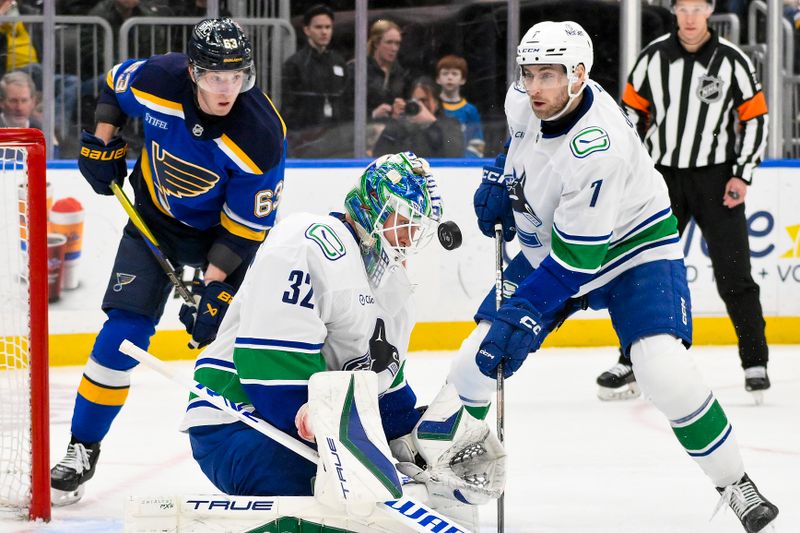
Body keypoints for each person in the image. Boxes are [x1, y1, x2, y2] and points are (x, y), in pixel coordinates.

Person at [451, 20, 778, 532]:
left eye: (549, 75)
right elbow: (518, 143)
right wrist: (498, 175)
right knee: (473, 361)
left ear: (579, 75)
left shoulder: (597, 144)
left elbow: (578, 264)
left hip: (631, 251)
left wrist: (524, 312)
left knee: (661, 367)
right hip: (554, 247)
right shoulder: (526, 96)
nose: (535, 86)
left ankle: (735, 482)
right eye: (529, 72)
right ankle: (442, 481)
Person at [50, 18, 287, 505]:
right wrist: (102, 139)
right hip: (152, 220)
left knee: (227, 343)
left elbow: (245, 228)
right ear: (193, 72)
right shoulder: (158, 79)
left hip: (222, 240)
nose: (228, 89)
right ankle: (81, 446)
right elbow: (115, 88)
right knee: (122, 334)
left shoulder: (259, 133)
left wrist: (213, 287)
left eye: (238, 76)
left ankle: (266, 448)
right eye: (217, 77)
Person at [178, 152, 465, 497]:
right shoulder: (309, 242)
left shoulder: (392, 290)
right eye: (404, 221)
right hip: (238, 423)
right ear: (373, 205)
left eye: (416, 228)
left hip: (310, 430)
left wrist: (429, 443)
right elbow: (270, 375)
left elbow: (385, 401)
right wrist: (342, 441)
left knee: (401, 494)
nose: (408, 238)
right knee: (353, 498)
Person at [596, 0, 771, 403]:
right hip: (661, 180)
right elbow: (628, 117)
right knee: (642, 269)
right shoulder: (652, 57)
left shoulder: (733, 61)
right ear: (673, 11)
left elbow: (755, 117)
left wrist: (742, 173)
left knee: (734, 273)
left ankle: (755, 362)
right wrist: (634, 173)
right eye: (683, 8)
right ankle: (629, 359)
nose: (690, 16)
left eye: (698, 7)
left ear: (710, 10)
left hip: (717, 179)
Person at [281, 3, 348, 157]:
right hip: (306, 139)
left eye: (328, 27)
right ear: (307, 30)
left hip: (336, 137)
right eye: (318, 27)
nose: (324, 32)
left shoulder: (338, 62)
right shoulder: (295, 63)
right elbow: (289, 106)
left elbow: (345, 99)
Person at [373, 76, 464, 158]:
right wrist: (394, 121)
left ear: (436, 103)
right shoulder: (402, 127)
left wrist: (432, 123)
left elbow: (454, 153)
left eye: (424, 100)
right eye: (416, 101)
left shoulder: (451, 124)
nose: (420, 105)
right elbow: (379, 155)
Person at [345, 19, 409, 124]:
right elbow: (344, 110)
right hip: (362, 132)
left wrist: (401, 108)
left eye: (397, 43)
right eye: (389, 42)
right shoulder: (355, 70)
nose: (394, 48)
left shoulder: (399, 73)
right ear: (376, 44)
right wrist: (373, 114)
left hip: (393, 131)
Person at [435, 54, 485, 158]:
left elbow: (477, 143)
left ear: (463, 79)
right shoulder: (432, 106)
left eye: (454, 73)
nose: (449, 77)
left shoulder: (470, 110)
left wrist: (462, 163)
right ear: (438, 79)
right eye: (445, 73)